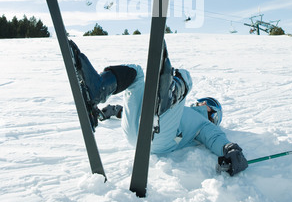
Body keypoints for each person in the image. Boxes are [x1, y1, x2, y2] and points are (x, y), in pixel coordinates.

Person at [69, 40, 248, 176]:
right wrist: (115, 111)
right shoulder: (184, 109)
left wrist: (230, 149)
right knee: (136, 74)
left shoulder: (205, 124)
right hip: (134, 132)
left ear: (214, 114)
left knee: (186, 77)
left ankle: (166, 94)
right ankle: (98, 89)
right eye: (202, 101)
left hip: (161, 138)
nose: (201, 104)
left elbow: (215, 138)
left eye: (207, 104)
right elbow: (139, 111)